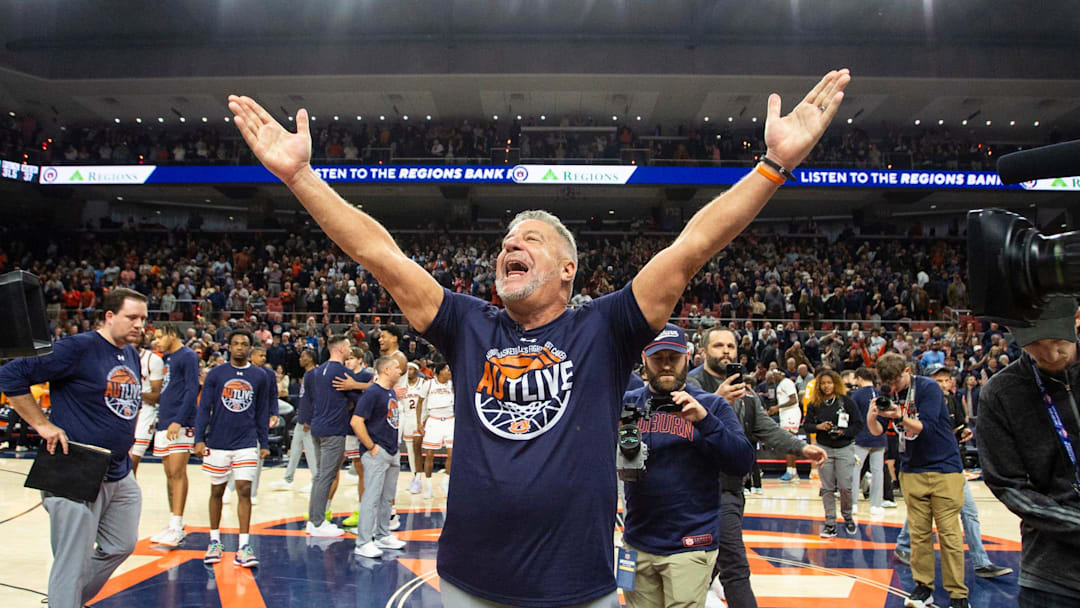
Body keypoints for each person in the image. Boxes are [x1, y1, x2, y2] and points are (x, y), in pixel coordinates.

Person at [227, 67, 850, 606]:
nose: (509, 246)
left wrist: (773, 167)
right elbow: (380, 255)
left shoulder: (604, 327)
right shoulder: (469, 324)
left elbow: (692, 246)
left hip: (578, 588)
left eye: (529, 239)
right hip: (468, 582)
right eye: (505, 241)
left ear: (568, 268)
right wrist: (299, 177)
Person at [0, 288, 147, 608]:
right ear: (110, 316)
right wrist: (42, 424)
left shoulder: (130, 354)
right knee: (72, 559)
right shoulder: (77, 347)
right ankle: (64, 600)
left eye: (143, 319)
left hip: (117, 470)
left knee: (121, 544)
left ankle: (66, 599)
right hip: (74, 466)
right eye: (132, 317)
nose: (140, 325)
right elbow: (10, 374)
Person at [687, 327, 827, 608]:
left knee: (712, 560)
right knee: (735, 566)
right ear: (703, 351)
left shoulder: (745, 390)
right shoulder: (690, 384)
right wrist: (717, 399)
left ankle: (698, 594)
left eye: (730, 346)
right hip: (699, 488)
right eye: (718, 346)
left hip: (732, 486)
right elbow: (681, 428)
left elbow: (766, 428)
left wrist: (801, 448)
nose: (726, 351)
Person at [621, 325, 754, 608]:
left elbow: (742, 461)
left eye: (673, 357)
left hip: (690, 543)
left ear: (688, 358)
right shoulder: (627, 405)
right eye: (658, 358)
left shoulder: (712, 405)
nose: (666, 365)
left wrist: (705, 421)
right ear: (644, 359)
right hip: (636, 541)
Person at [978, 296, 1080, 606]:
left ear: (1076, 319)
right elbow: (1007, 484)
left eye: (1056, 340)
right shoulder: (1000, 393)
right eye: (1034, 344)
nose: (1049, 354)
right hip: (1052, 577)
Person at [893, 364, 1013, 579]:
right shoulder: (915, 400)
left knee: (967, 511)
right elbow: (919, 431)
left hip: (950, 464)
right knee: (923, 512)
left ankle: (981, 562)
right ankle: (904, 545)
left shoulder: (952, 401)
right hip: (926, 465)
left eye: (945, 380)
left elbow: (954, 427)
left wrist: (963, 432)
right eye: (937, 380)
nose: (942, 384)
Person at [869, 353, 967, 608]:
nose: (893, 387)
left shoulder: (928, 387)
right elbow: (877, 431)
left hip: (944, 468)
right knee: (919, 535)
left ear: (907, 371)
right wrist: (872, 415)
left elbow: (927, 427)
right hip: (912, 470)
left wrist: (899, 416)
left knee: (949, 535)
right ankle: (923, 587)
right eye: (889, 383)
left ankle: (958, 595)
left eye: (897, 381)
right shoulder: (889, 392)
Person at [194, 329, 273, 568]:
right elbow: (204, 407)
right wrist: (199, 438)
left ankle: (244, 546)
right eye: (236, 343)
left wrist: (264, 442)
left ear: (250, 348)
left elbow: (262, 411)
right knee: (217, 491)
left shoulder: (260, 376)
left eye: (244, 344)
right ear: (229, 347)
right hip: (218, 441)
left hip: (246, 442)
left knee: (245, 490)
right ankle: (214, 541)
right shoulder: (216, 374)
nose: (240, 347)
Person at [304, 334, 366, 537]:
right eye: (348, 346)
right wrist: (363, 386)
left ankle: (314, 520)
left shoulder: (317, 371)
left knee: (320, 476)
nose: (350, 349)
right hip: (333, 430)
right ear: (340, 349)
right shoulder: (342, 372)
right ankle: (317, 522)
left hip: (317, 427)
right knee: (326, 477)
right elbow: (359, 398)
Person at [147, 323, 200, 548]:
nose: (156, 341)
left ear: (172, 335)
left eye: (160, 337)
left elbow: (192, 389)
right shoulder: (169, 358)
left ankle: (177, 526)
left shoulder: (187, 356)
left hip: (180, 422)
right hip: (165, 420)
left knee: (178, 473)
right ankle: (173, 522)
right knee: (169, 474)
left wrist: (179, 420)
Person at [351, 356, 408, 557]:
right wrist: (371, 446)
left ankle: (383, 534)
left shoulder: (389, 392)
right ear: (386, 370)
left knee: (387, 498)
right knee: (372, 498)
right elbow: (356, 421)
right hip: (377, 451)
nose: (400, 371)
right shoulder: (372, 392)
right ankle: (363, 542)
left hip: (392, 451)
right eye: (396, 368)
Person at [803, 369, 863, 537]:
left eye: (829, 383)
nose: (826, 386)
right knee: (827, 488)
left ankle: (848, 516)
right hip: (824, 448)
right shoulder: (814, 404)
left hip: (844, 447)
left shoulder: (846, 401)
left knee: (845, 486)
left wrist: (844, 432)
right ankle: (830, 522)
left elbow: (858, 424)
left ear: (835, 383)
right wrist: (819, 427)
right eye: (823, 383)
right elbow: (807, 426)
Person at [271, 348, 319, 492]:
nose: (300, 359)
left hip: (307, 421)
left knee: (310, 451)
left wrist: (309, 420)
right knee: (295, 449)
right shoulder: (307, 374)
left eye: (303, 356)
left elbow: (315, 399)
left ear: (310, 358)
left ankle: (315, 481)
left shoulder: (313, 375)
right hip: (301, 418)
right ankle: (288, 479)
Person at [849, 367, 888, 516]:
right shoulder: (880, 394)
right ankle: (876, 505)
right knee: (878, 472)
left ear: (859, 378)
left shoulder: (856, 395)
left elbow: (852, 416)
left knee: (855, 470)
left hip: (861, 438)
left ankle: (852, 504)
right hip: (879, 437)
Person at [130, 331, 164, 474]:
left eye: (137, 335)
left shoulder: (153, 360)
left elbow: (157, 396)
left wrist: (132, 392)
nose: (133, 338)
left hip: (144, 412)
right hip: (117, 411)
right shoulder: (111, 356)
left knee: (130, 465)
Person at [421, 361, 454, 498]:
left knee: (452, 454)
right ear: (439, 372)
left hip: (450, 420)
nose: (449, 372)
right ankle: (428, 486)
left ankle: (445, 483)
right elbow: (420, 403)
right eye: (447, 370)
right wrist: (420, 422)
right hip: (433, 420)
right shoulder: (429, 384)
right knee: (429, 454)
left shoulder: (453, 385)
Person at [400, 361, 429, 494]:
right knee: (410, 451)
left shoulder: (424, 384)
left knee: (418, 449)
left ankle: (420, 478)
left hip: (421, 418)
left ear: (417, 371)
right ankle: (415, 477)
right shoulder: (402, 385)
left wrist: (425, 420)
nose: (409, 371)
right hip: (407, 418)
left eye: (411, 369)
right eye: (407, 369)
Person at [775, 369, 802, 481]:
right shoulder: (781, 384)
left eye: (774, 374)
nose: (772, 376)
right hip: (785, 414)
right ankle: (792, 471)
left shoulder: (787, 383)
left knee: (789, 443)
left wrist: (777, 407)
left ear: (780, 374)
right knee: (788, 444)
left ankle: (791, 472)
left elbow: (793, 400)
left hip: (791, 414)